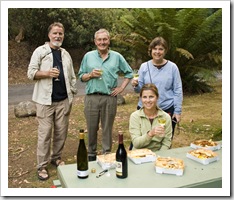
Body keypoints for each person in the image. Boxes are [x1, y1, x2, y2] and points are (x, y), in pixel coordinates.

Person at [27, 22, 77, 181]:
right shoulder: (39, 51)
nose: (58, 36)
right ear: (49, 35)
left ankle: (56, 158)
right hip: (44, 101)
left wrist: (73, 91)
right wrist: (47, 73)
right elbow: (30, 73)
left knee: (61, 132)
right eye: (55, 33)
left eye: (60, 34)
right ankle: (41, 165)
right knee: (45, 134)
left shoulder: (65, 54)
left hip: (63, 101)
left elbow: (72, 76)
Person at [78, 28, 133, 161]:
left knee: (107, 128)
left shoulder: (117, 56)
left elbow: (129, 73)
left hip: (110, 97)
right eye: (99, 39)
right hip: (91, 97)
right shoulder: (88, 56)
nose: (102, 42)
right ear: (95, 41)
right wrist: (90, 75)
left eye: (105, 39)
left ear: (109, 41)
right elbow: (80, 76)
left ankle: (106, 154)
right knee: (91, 127)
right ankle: (91, 154)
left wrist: (121, 88)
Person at [131, 36, 183, 140]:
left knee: (163, 140)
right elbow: (139, 90)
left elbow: (178, 90)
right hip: (146, 109)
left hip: (166, 109)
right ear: (151, 50)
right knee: (143, 140)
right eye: (155, 49)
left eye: (161, 49)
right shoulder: (144, 67)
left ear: (165, 51)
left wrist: (177, 111)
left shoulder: (173, 67)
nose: (157, 52)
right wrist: (135, 85)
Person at [129, 84, 172, 152]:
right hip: (138, 154)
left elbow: (166, 143)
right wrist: (150, 134)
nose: (148, 100)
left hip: (159, 154)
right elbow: (136, 143)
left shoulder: (166, 117)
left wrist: (160, 157)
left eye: (151, 97)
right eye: (145, 97)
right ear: (141, 98)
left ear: (157, 97)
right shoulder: (135, 116)